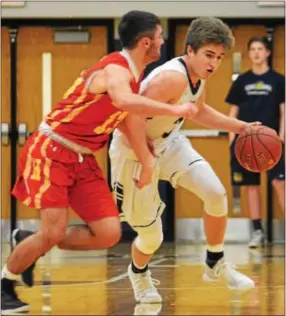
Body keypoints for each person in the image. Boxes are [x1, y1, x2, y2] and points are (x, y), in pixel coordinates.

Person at [1, 10, 197, 314]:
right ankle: (5, 284)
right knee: (52, 231)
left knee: (108, 233)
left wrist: (146, 160)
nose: (163, 41)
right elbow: (122, 102)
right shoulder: (116, 71)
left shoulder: (134, 75)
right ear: (146, 42)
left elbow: (126, 118)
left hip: (83, 157)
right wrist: (176, 109)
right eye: (160, 37)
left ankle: (31, 242)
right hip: (52, 149)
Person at [109, 17, 257, 304]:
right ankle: (138, 272)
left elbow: (200, 111)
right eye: (209, 55)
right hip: (133, 151)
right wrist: (146, 160)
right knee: (152, 237)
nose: (214, 63)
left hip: (169, 142)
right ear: (190, 51)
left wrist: (242, 127)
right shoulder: (171, 77)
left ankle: (215, 262)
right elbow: (129, 117)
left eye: (220, 57)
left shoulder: (197, 78)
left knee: (216, 194)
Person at [227, 36, 285, 248]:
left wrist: (282, 134)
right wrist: (232, 138)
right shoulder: (241, 81)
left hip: (272, 142)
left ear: (268, 52)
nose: (257, 53)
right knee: (251, 187)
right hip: (246, 142)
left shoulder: (279, 80)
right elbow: (232, 111)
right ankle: (257, 231)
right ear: (249, 53)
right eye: (253, 49)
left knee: (280, 183)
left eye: (260, 49)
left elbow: (283, 108)